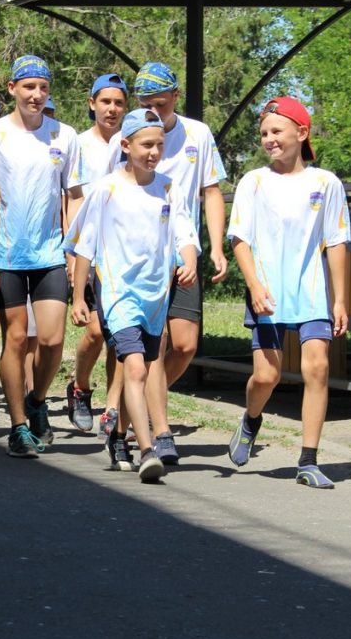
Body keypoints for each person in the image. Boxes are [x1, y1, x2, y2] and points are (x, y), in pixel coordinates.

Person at [67, 108, 198, 480]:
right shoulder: (106, 189)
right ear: (126, 145)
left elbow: (185, 233)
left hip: (156, 296)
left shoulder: (169, 188)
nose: (154, 151)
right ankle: (147, 451)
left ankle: (119, 434)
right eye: (146, 144)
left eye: (159, 144)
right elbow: (84, 248)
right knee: (136, 368)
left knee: (136, 373)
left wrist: (187, 261)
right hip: (118, 293)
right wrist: (79, 297)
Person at [226, 96, 349, 489]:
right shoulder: (254, 181)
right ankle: (251, 419)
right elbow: (240, 240)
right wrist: (254, 286)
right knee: (267, 376)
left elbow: (337, 242)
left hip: (311, 292)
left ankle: (308, 460)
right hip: (268, 292)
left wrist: (340, 299)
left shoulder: (325, 183)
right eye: (263, 133)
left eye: (276, 131)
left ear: (302, 132)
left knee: (318, 368)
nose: (269, 139)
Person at [0, 54, 85, 457]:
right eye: (29, 87)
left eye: (43, 87)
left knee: (52, 340)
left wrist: (75, 253)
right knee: (16, 339)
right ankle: (18, 426)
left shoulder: (64, 136)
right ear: (14, 90)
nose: (36, 95)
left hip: (52, 253)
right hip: (8, 257)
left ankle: (37, 401)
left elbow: (74, 197)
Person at [105, 63, 229, 390]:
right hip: (139, 254)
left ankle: (146, 402)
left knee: (185, 345)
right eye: (146, 104)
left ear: (176, 96)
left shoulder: (197, 134)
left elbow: (212, 190)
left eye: (161, 103)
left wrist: (216, 247)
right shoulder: (125, 139)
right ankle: (126, 412)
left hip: (183, 250)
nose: (154, 111)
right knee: (149, 343)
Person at [66, 73, 128, 432]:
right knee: (94, 332)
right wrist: (72, 254)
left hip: (118, 253)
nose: (112, 109)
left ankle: (113, 408)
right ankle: (80, 387)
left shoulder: (130, 142)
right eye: (106, 101)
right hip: (85, 250)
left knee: (119, 336)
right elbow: (69, 199)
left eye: (119, 103)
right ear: (92, 103)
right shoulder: (77, 143)